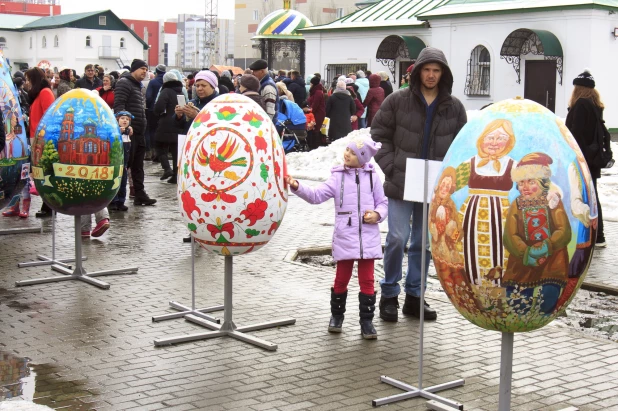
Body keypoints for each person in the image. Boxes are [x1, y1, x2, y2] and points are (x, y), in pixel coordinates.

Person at [371, 47, 467, 322]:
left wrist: (451, 179)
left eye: (437, 71)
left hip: (435, 188)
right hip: (402, 182)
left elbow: (462, 147)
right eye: (427, 70)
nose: (431, 75)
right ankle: (389, 294)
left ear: (443, 74)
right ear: (418, 71)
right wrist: (391, 167)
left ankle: (415, 297)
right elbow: (378, 135)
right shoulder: (397, 100)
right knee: (397, 238)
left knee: (423, 244)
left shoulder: (454, 107)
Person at [285, 135, 388, 339]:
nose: (347, 154)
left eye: (352, 152)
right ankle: (336, 317)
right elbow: (316, 195)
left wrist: (377, 215)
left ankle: (367, 322)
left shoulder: (373, 177)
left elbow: (383, 202)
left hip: (367, 238)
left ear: (363, 158)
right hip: (346, 235)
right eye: (347, 150)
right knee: (341, 278)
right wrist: (296, 186)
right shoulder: (337, 177)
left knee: (367, 280)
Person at [502, 153, 571, 315]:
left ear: (543, 183)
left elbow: (564, 231)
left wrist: (547, 245)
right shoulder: (517, 205)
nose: (525, 187)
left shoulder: (552, 202)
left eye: (531, 182)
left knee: (547, 299)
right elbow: (510, 235)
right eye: (521, 183)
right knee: (517, 301)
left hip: (551, 260)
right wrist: (526, 251)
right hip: (523, 261)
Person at [455, 119, 517, 290]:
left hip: (502, 218)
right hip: (472, 218)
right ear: (481, 139)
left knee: (501, 253)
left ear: (509, 141)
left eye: (501, 138)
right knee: (470, 252)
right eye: (490, 137)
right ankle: (475, 291)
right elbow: (449, 185)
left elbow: (530, 183)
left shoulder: (512, 165)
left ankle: (499, 291)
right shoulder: (470, 163)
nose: (495, 143)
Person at [565, 69, 611, 248]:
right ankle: (598, 235)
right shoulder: (594, 104)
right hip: (593, 158)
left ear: (579, 88)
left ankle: (596, 236)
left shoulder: (582, 105)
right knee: (592, 194)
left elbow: (576, 134)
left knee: (585, 195)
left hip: (583, 158)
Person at [114, 59, 157, 206]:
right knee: (126, 165)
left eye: (146, 69)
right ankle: (116, 198)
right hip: (129, 132)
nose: (144, 72)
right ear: (134, 69)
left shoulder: (137, 86)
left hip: (139, 132)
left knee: (138, 166)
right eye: (142, 69)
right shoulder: (124, 83)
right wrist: (126, 126)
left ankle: (140, 194)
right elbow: (119, 105)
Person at [28, 67, 55, 218]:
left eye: (29, 79)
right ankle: (47, 205)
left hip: (41, 137)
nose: (27, 83)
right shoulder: (39, 93)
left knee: (44, 172)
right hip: (35, 136)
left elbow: (49, 115)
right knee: (40, 172)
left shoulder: (45, 92)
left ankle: (48, 205)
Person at [155, 72, 185, 184]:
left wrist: (158, 113)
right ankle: (176, 175)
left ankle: (167, 168)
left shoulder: (165, 91)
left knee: (159, 145)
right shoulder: (181, 91)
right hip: (178, 122)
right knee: (175, 150)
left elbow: (159, 107)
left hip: (165, 123)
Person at [109, 111, 133, 212]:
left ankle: (121, 202)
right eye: (122, 118)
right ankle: (113, 202)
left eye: (127, 119)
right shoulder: (114, 131)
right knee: (115, 182)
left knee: (123, 183)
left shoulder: (128, 132)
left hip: (125, 163)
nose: (125, 120)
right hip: (116, 163)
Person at [145, 64, 166, 161]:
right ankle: (161, 152)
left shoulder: (153, 82)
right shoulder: (167, 82)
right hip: (165, 110)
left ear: (156, 72)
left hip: (152, 109)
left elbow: (149, 96)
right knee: (161, 130)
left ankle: (151, 152)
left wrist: (148, 106)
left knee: (151, 130)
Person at [308, 76, 325, 144]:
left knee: (316, 129)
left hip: (318, 114)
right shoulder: (316, 91)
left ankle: (316, 144)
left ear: (313, 83)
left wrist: (309, 111)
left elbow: (315, 104)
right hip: (316, 113)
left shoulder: (317, 92)